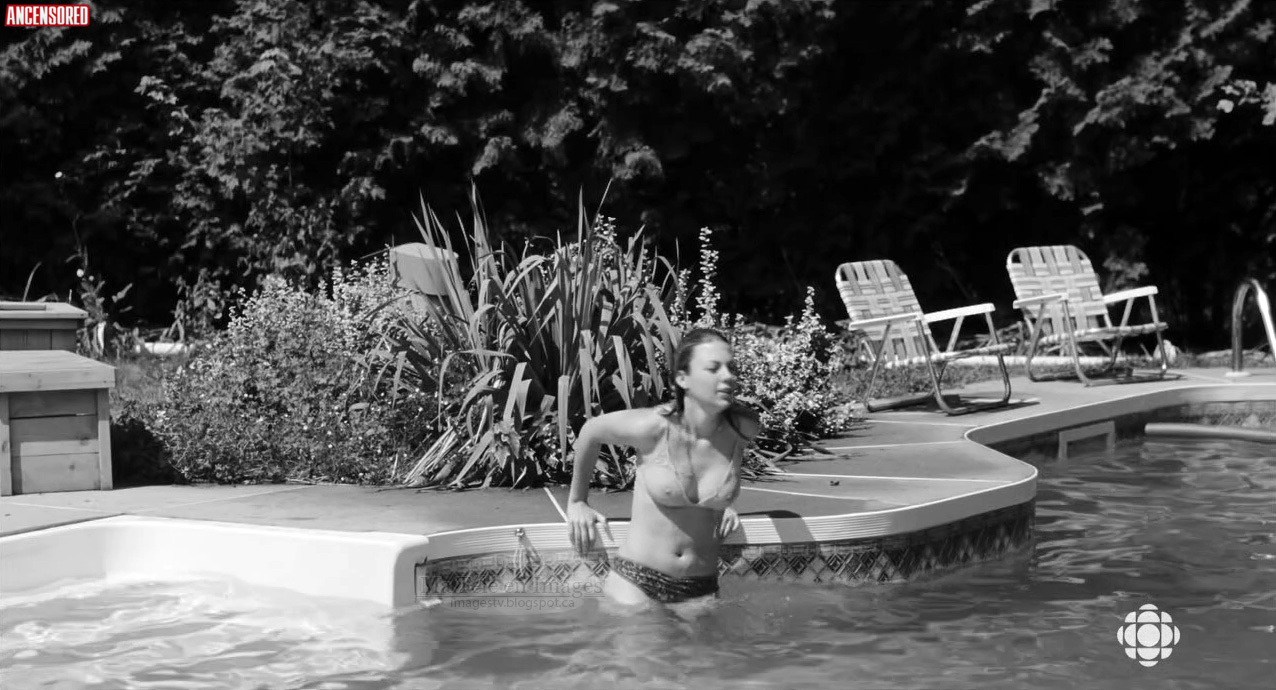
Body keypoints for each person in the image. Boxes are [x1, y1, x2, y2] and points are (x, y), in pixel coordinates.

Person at [566, 327, 760, 606]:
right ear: (683, 378)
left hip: (700, 586)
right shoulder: (653, 427)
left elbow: (718, 475)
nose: (728, 376)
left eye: (731, 368)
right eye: (713, 368)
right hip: (638, 581)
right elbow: (590, 431)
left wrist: (721, 501)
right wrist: (577, 501)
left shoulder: (742, 428)